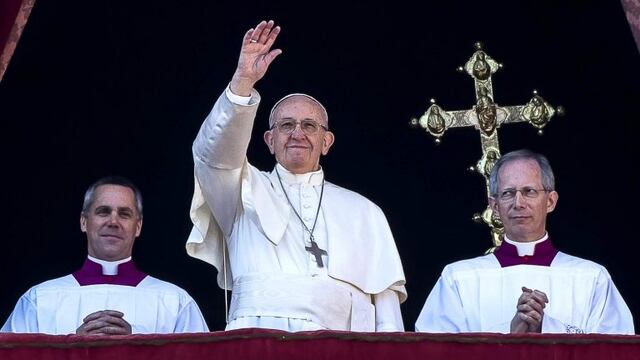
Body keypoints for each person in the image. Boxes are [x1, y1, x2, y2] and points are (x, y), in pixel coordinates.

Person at [186, 20, 406, 332]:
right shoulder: (239, 190)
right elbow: (212, 154)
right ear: (269, 140)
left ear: (326, 142)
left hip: (340, 349)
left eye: (309, 125)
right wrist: (243, 82)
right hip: (258, 344)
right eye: (286, 125)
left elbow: (387, 318)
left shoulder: (365, 212)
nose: (297, 133)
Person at [415, 149, 634, 334]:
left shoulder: (592, 277)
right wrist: (510, 333)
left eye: (529, 191)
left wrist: (544, 327)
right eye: (508, 193)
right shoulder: (458, 279)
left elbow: (615, 350)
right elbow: (435, 351)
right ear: (495, 206)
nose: (518, 203)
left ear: (550, 201)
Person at [2, 176, 209, 335]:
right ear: (84, 222)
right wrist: (69, 349)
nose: (113, 221)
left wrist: (140, 346)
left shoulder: (175, 302)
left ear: (138, 227)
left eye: (124, 214)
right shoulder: (39, 300)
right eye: (103, 211)